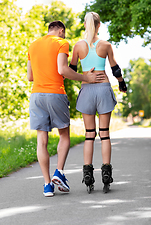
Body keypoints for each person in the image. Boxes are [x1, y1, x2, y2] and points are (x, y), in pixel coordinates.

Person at [27, 20, 105, 197]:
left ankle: (47, 185)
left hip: (36, 96)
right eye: (64, 33)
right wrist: (86, 77)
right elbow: (63, 69)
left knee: (42, 141)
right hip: (55, 94)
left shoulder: (33, 45)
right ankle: (59, 172)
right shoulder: (61, 43)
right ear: (61, 31)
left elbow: (30, 76)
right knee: (64, 135)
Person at [70, 12, 127, 192]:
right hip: (103, 89)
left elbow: (71, 71)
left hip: (86, 90)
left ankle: (87, 173)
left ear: (85, 25)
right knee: (104, 134)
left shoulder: (78, 46)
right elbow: (115, 68)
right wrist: (122, 84)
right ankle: (106, 173)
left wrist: (85, 76)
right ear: (99, 25)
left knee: (89, 134)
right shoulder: (106, 45)